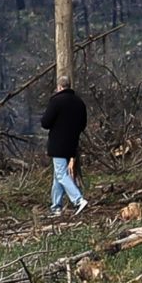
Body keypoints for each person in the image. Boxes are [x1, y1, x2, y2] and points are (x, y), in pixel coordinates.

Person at [40, 82, 89, 215]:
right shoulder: (79, 102)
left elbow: (45, 122)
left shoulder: (56, 101)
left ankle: (78, 200)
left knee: (61, 174)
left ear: (60, 86)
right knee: (58, 175)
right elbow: (83, 124)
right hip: (72, 143)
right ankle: (56, 207)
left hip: (58, 144)